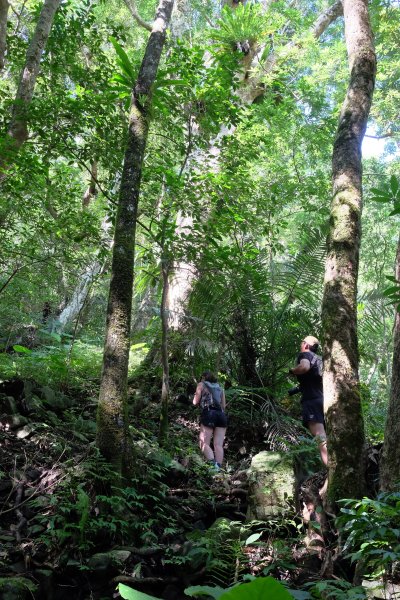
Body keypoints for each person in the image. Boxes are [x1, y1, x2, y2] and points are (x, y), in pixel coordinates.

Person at [288, 336, 328, 466]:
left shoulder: (305, 354)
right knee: (326, 436)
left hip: (311, 401)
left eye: (302, 343)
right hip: (323, 400)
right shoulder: (320, 360)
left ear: (305, 345)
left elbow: (304, 367)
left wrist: (292, 371)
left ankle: (331, 469)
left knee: (320, 437)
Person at [193, 371, 227, 470]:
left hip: (209, 413)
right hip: (221, 415)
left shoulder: (201, 384)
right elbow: (223, 406)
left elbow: (195, 402)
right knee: (218, 444)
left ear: (203, 377)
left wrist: (195, 395)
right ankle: (219, 468)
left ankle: (213, 466)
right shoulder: (220, 387)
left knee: (203, 442)